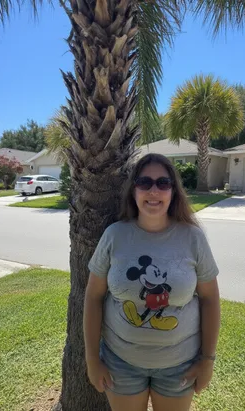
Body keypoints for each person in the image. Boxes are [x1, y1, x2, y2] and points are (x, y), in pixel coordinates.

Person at [84, 153, 221, 411]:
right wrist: (92, 359)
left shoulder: (193, 238)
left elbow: (210, 299)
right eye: (144, 182)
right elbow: (93, 297)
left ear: (173, 191)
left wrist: (207, 360)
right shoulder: (114, 235)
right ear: (133, 190)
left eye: (163, 183)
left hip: (179, 365)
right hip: (120, 363)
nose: (153, 191)